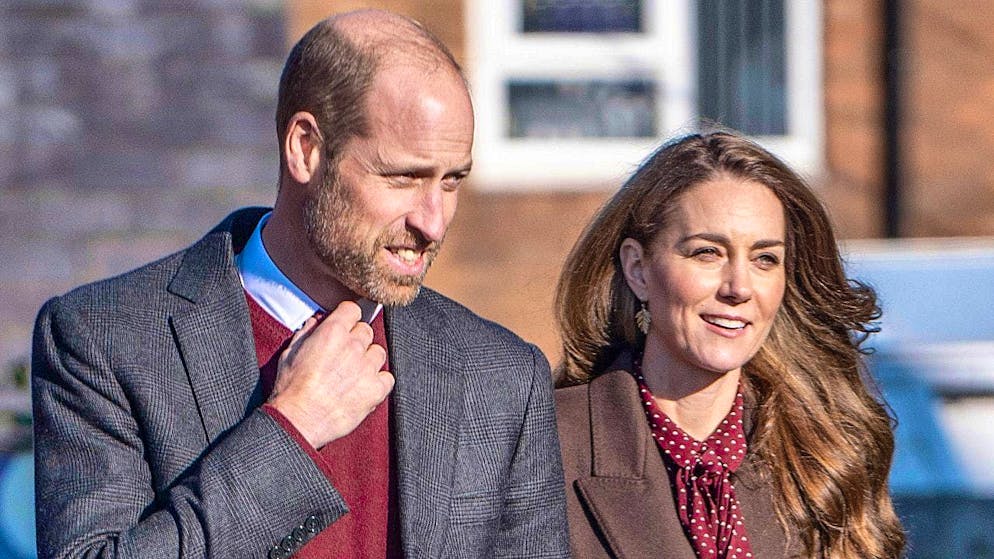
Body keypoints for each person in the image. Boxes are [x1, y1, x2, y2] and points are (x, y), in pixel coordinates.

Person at [32, 10, 568, 559]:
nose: (433, 222)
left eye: (451, 180)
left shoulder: (501, 376)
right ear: (305, 148)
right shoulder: (101, 341)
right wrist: (291, 428)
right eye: (404, 177)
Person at [554, 131, 905, 559]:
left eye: (764, 259)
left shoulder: (828, 458)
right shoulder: (545, 443)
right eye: (707, 253)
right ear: (638, 268)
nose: (739, 287)